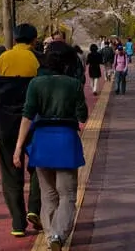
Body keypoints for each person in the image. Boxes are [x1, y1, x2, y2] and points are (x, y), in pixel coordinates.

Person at [14, 42, 88, 251]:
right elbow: (82, 115)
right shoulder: (73, 84)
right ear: (67, 62)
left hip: (42, 140)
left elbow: (27, 116)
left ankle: (50, 235)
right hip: (66, 140)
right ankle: (58, 233)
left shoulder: (36, 84)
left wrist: (19, 147)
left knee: (48, 194)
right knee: (67, 194)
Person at [0, 23, 43, 237]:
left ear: (15, 39)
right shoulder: (38, 59)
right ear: (34, 40)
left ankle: (17, 223)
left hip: (5, 122)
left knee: (10, 172)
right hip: (33, 120)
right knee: (40, 164)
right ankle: (34, 208)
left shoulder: (1, 59)